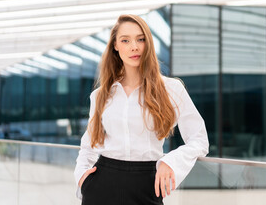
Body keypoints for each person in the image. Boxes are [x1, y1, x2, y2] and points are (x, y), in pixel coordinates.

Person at [74, 14, 209, 205]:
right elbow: (88, 145)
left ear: (148, 43)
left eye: (140, 39)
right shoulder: (100, 95)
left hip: (147, 185)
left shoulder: (171, 89)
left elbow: (199, 140)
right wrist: (81, 178)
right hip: (101, 185)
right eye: (125, 40)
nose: (134, 46)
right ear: (115, 46)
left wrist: (170, 161)